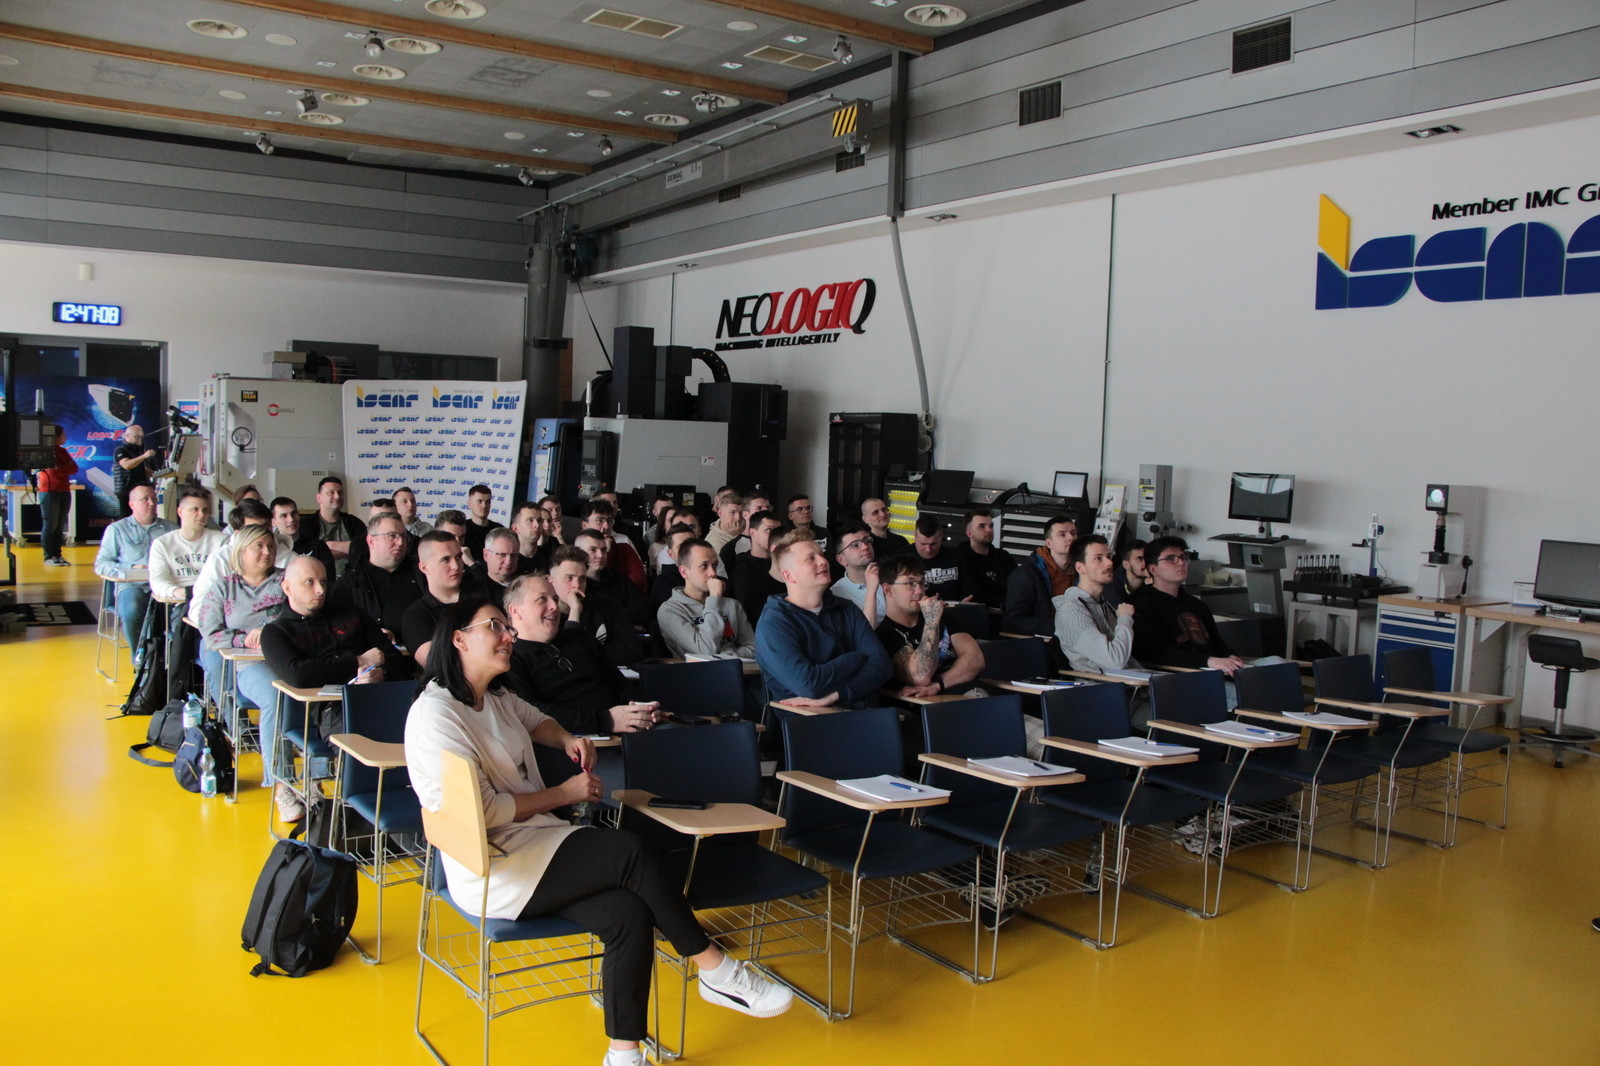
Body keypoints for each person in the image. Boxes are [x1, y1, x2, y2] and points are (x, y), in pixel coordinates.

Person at [405, 598, 791, 1066]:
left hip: (532, 842)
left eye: (509, 628)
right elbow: (482, 813)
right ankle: (714, 968)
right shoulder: (436, 716)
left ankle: (623, 1055)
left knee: (628, 913)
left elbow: (537, 720)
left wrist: (568, 738)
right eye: (496, 627)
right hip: (491, 868)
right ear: (459, 639)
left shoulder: (497, 696)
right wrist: (564, 794)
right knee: (630, 851)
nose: (509, 636)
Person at [248, 555, 404, 822]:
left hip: (381, 696)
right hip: (334, 709)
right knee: (365, 758)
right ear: (288, 588)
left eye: (323, 582)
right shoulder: (277, 632)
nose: (320, 590)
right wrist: (357, 660)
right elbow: (300, 675)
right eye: (309, 582)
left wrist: (381, 672)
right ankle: (372, 822)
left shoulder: (352, 616)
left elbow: (392, 657)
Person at [501, 575, 657, 737]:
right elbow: (531, 712)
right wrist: (607, 720)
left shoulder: (580, 639)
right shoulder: (510, 658)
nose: (554, 606)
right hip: (576, 742)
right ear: (515, 611)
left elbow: (621, 685)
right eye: (542, 599)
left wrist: (643, 710)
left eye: (555, 599)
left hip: (629, 730)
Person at [755, 530, 893, 709]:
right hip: (808, 718)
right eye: (810, 559)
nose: (823, 561)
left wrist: (837, 695)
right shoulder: (774, 623)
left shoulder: (846, 608)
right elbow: (809, 685)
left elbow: (882, 666)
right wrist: (855, 658)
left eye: (821, 555)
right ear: (789, 576)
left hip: (864, 711)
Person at [194, 524, 286, 706]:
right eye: (259, 546)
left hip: (288, 656)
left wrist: (270, 632)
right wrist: (245, 640)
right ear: (241, 551)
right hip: (251, 663)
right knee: (276, 697)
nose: (267, 552)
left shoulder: (288, 580)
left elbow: (305, 617)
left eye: (271, 546)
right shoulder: (223, 587)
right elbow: (211, 634)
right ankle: (231, 719)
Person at [875, 555, 985, 698]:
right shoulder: (884, 633)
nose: (919, 591)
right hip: (930, 704)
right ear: (888, 589)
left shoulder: (943, 616)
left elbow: (976, 659)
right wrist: (932, 621)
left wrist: (938, 684)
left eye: (922, 583)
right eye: (910, 584)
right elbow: (920, 676)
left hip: (969, 693)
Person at [1129, 536, 1243, 674]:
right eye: (1170, 559)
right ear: (1153, 569)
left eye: (1183, 557)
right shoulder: (1143, 605)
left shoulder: (1197, 605)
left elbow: (1218, 644)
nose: (1181, 563)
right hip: (1178, 676)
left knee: (1266, 665)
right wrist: (1208, 661)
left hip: (1215, 671)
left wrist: (1231, 656)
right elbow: (1156, 653)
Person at [93, 484, 175, 654]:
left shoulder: (171, 529)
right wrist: (130, 568)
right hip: (132, 586)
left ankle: (171, 659)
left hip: (165, 586)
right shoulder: (117, 530)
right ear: (132, 505)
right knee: (133, 611)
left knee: (183, 614)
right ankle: (140, 658)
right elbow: (101, 564)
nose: (151, 503)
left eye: (154, 499)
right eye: (145, 499)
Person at [657, 538, 756, 661]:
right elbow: (705, 650)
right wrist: (714, 599)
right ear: (684, 572)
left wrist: (725, 658)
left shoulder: (732, 605)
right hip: (697, 672)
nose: (713, 573)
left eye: (714, 566)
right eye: (704, 566)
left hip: (739, 670)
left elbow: (754, 648)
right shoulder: (670, 611)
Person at [1054, 534, 1140, 675]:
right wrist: (1124, 619)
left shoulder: (1103, 604)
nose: (1109, 563)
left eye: (1109, 556)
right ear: (1080, 568)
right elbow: (1115, 661)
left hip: (1130, 680)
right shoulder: (1072, 610)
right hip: (1101, 685)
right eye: (1098, 558)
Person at [333, 510, 423, 641]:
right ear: (371, 541)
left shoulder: (423, 572)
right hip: (373, 650)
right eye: (392, 536)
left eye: (403, 536)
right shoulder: (351, 581)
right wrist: (371, 634)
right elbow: (337, 625)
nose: (400, 542)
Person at [550, 545, 645, 668]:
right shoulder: (547, 616)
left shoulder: (605, 604)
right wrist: (575, 610)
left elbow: (633, 649)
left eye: (582, 579)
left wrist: (589, 655)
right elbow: (569, 659)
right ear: (551, 581)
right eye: (569, 578)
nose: (577, 585)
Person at [148, 485, 226, 612]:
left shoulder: (222, 541)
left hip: (214, 601)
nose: (201, 514)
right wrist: (176, 591)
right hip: (179, 602)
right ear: (180, 512)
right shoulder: (162, 544)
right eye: (195, 509)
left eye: (205, 510)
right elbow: (158, 579)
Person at [403, 531, 471, 666]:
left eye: (458, 557)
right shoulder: (415, 616)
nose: (456, 566)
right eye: (445, 560)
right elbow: (437, 665)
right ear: (424, 567)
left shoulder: (483, 596)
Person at [1003, 515, 1076, 636]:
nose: (1071, 538)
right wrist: (1059, 628)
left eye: (1073, 533)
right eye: (1062, 534)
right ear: (1049, 543)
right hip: (1042, 640)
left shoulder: (1082, 571)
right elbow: (1015, 622)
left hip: (1077, 638)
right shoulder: (1025, 575)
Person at [575, 528, 652, 629]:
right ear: (578, 553)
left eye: (604, 550)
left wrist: (608, 618)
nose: (600, 555)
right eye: (593, 550)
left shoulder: (621, 581)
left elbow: (644, 611)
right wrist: (623, 620)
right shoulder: (576, 586)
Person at [728, 511, 787, 626]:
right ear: (752, 533)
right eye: (769, 530)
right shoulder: (743, 571)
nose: (775, 536)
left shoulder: (785, 564)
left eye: (778, 531)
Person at [582, 499, 646, 593]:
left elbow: (639, 582)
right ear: (584, 525)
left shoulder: (624, 548)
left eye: (609, 521)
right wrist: (607, 552)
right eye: (599, 520)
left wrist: (610, 550)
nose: (606, 526)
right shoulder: (578, 550)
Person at [306, 476, 366, 577]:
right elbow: (309, 556)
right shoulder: (307, 524)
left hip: (351, 579)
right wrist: (348, 551)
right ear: (319, 498)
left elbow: (363, 548)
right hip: (319, 579)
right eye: (331, 492)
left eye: (340, 492)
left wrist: (330, 545)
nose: (337, 496)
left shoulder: (354, 522)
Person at [958, 507, 1016, 611]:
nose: (989, 530)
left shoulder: (1004, 557)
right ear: (969, 533)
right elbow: (973, 594)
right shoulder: (959, 559)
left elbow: (1019, 586)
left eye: (991, 526)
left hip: (1006, 613)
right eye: (982, 526)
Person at [830, 520, 886, 627]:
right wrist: (871, 589)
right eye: (855, 545)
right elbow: (865, 632)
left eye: (867, 541)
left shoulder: (890, 576)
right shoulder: (837, 594)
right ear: (841, 560)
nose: (865, 547)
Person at [35, 424, 76, 566]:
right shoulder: (45, 452)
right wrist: (65, 467)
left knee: (59, 525)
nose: (66, 437)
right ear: (55, 436)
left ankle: (57, 555)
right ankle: (48, 556)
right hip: (49, 492)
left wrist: (61, 467)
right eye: (63, 434)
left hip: (64, 490)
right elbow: (52, 471)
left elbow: (74, 468)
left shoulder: (63, 451)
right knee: (50, 524)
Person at [912, 515, 966, 601]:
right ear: (915, 536)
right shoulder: (902, 559)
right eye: (923, 544)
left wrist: (964, 602)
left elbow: (969, 587)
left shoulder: (955, 555)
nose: (928, 549)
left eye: (933, 544)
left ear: (941, 537)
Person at [111, 424, 158, 515]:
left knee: (142, 515)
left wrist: (154, 473)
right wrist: (144, 456)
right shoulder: (121, 450)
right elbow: (126, 465)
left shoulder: (139, 450)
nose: (140, 439)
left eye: (141, 437)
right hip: (126, 490)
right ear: (127, 436)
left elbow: (140, 467)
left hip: (140, 489)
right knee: (126, 517)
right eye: (137, 437)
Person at [472, 527, 523, 610]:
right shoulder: (474, 592)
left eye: (514, 555)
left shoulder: (526, 586)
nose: (508, 561)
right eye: (502, 555)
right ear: (486, 555)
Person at [512, 501, 555, 574]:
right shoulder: (508, 560)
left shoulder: (550, 558)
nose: (537, 525)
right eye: (530, 520)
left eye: (539, 520)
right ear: (515, 528)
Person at [704, 491, 745, 555]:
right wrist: (735, 537)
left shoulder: (747, 526)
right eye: (732, 512)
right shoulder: (713, 542)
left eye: (741, 512)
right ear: (720, 513)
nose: (738, 517)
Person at [462, 484, 494, 559]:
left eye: (487, 502)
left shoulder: (498, 530)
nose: (484, 506)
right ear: (469, 504)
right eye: (480, 501)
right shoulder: (462, 529)